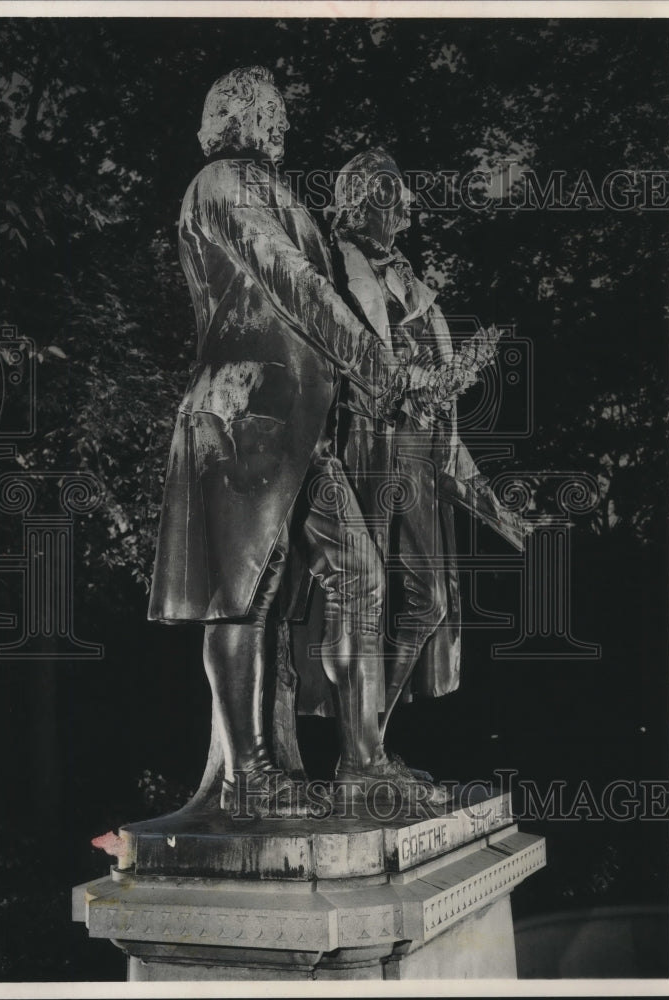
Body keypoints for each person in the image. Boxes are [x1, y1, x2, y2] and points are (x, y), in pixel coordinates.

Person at [147, 69, 459, 816]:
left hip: (299, 425)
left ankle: (362, 763)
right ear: (233, 116)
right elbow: (294, 284)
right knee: (244, 598)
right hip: (241, 414)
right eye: (269, 112)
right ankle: (244, 777)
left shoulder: (283, 195)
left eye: (282, 114)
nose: (279, 125)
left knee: (360, 575)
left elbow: (327, 301)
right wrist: (381, 366)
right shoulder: (221, 183)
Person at [329, 148, 521, 796]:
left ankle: (369, 744)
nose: (408, 211)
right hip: (357, 450)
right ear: (362, 200)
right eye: (396, 198)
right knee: (359, 599)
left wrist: (500, 512)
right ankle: (361, 758)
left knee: (430, 602)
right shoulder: (331, 265)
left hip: (414, 458)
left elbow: (448, 426)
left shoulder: (418, 291)